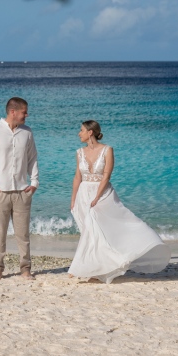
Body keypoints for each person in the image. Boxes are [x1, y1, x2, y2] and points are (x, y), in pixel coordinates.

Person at [68, 120, 170, 283]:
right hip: (83, 194)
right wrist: (73, 199)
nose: (78, 133)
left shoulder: (107, 150)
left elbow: (106, 175)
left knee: (105, 229)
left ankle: (94, 267)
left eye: (81, 130)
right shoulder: (79, 152)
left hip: (102, 194)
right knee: (90, 232)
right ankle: (88, 267)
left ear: (90, 133)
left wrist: (96, 197)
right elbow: (77, 177)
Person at [0, 97, 39, 281]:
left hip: (22, 191)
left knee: (23, 234)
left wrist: (34, 182)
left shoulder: (27, 132)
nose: (26, 115)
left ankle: (25, 269)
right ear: (13, 112)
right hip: (0, 192)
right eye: (24, 112)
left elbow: (33, 158)